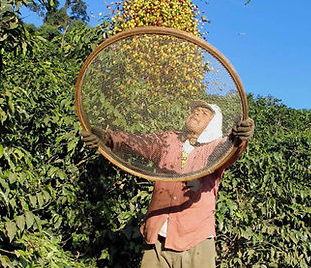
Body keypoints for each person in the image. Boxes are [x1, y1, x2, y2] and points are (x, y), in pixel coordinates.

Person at [81, 100, 255, 268]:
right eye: (195, 111)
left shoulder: (214, 149)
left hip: (195, 239)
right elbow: (137, 143)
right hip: (157, 237)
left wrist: (241, 136)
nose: (196, 113)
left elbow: (232, 148)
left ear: (213, 123)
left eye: (204, 113)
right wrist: (107, 138)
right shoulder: (168, 141)